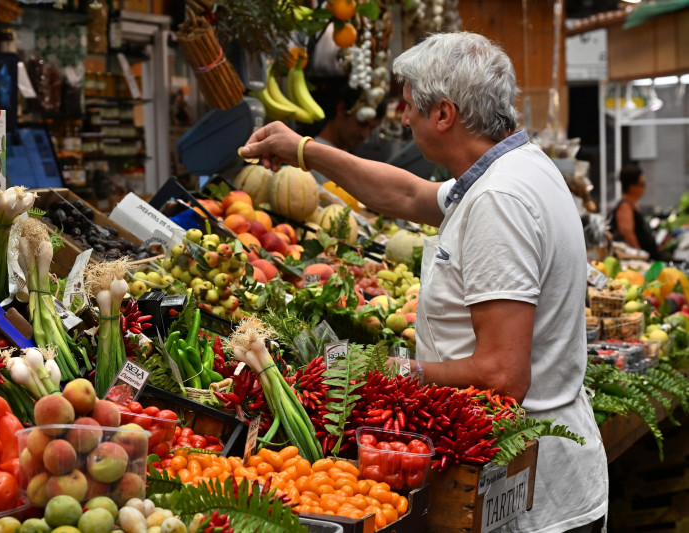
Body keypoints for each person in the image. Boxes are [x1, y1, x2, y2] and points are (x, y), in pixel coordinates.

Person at [241, 32, 608, 532]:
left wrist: (396, 372)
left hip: (528, 494)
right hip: (527, 472)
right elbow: (409, 196)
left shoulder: (499, 200)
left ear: (444, 114)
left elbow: (503, 374)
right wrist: (305, 151)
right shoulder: (515, 167)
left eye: (410, 105)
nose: (403, 118)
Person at [306, 78, 384, 185]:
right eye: (362, 124)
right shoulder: (313, 161)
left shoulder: (344, 159)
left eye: (372, 129)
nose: (365, 135)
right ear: (341, 109)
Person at [610, 164, 662, 260]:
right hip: (637, 262)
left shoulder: (632, 205)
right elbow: (627, 234)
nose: (644, 188)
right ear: (631, 186)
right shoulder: (625, 206)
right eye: (642, 184)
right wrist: (640, 256)